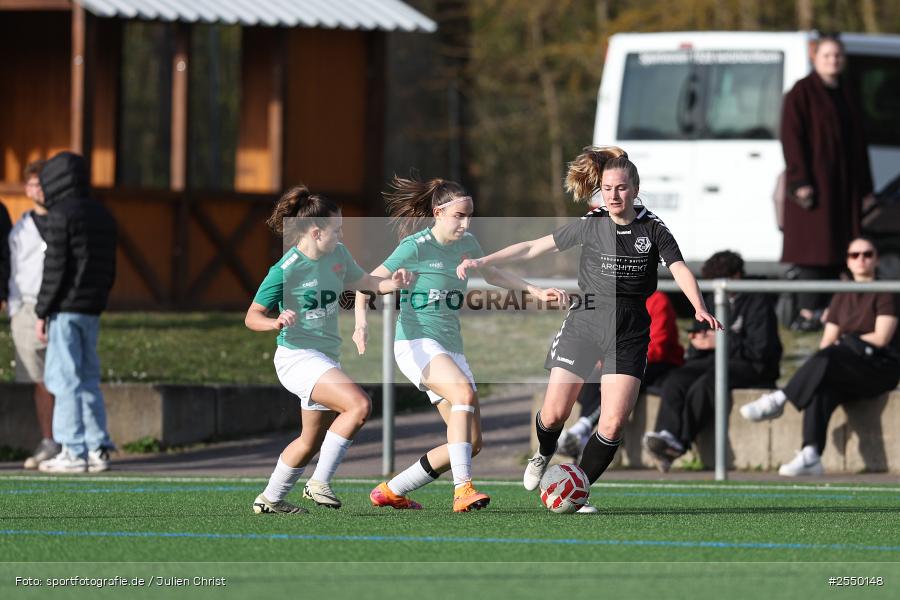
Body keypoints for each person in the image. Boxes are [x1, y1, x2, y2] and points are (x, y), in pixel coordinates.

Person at [456, 146, 721, 512]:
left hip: (629, 329)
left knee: (612, 424)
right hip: (585, 321)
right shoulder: (591, 222)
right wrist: (484, 260)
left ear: (635, 189)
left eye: (622, 188)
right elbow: (533, 247)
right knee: (554, 414)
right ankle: (543, 453)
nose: (614, 195)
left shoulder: (653, 228)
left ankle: (576, 490)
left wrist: (699, 307)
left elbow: (679, 268)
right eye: (607, 188)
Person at [355, 175, 566, 512]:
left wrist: (535, 291)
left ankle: (392, 490)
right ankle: (462, 489)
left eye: (470, 216)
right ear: (438, 213)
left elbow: (493, 274)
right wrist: (362, 323)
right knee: (463, 395)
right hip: (416, 343)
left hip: (450, 347)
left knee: (470, 443)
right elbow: (366, 283)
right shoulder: (415, 246)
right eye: (459, 216)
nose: (466, 223)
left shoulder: (467, 243)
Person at [248, 185, 411, 514]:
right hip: (296, 357)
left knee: (309, 442)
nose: (341, 235)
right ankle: (318, 483)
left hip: (324, 358)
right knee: (358, 405)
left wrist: (396, 282)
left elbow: (368, 283)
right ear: (315, 231)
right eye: (336, 230)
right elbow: (252, 317)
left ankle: (270, 499)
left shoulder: (338, 255)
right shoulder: (285, 269)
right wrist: (275, 321)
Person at [740, 237, 899, 476]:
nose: (861, 259)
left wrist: (847, 342)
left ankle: (780, 398)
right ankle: (811, 453)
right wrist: (843, 344)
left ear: (876, 259)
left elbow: (881, 338)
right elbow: (827, 341)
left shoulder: (886, 292)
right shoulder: (841, 295)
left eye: (867, 254)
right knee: (820, 385)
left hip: (879, 367)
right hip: (847, 366)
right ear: (847, 261)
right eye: (855, 255)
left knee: (832, 354)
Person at [642, 250, 782, 471]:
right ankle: (666, 434)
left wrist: (721, 341)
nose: (717, 286)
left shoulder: (757, 301)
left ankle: (680, 442)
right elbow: (700, 338)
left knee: (709, 382)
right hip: (714, 359)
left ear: (737, 276)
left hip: (752, 365)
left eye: (721, 279)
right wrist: (697, 343)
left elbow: (761, 350)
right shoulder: (711, 299)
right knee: (677, 378)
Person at [781, 33, 874, 331]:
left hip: (843, 188)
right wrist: (800, 180)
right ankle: (808, 314)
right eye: (827, 56)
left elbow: (859, 143)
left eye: (837, 56)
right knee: (814, 251)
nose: (833, 61)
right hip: (814, 189)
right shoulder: (802, 92)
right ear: (815, 58)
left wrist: (866, 187)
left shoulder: (846, 92)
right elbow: (792, 137)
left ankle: (834, 314)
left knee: (840, 250)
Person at [34, 152, 117, 474]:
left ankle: (72, 449)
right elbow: (109, 268)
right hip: (91, 309)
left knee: (64, 379)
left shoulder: (60, 215)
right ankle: (98, 446)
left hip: (65, 309)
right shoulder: (103, 214)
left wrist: (42, 310)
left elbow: (55, 269)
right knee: (88, 377)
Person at [556, 290, 684, 459]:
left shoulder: (657, 300)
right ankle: (583, 431)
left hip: (657, 361)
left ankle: (582, 430)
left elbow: (658, 344)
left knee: (617, 379)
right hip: (623, 360)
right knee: (595, 375)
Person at [8, 160, 60, 468]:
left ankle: (70, 439)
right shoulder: (20, 228)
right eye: (31, 184)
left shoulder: (63, 221)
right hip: (27, 307)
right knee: (38, 379)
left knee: (64, 377)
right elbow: (14, 269)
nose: (36, 190)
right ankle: (49, 439)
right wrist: (15, 308)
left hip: (59, 307)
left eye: (41, 184)